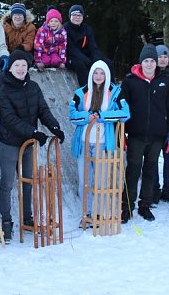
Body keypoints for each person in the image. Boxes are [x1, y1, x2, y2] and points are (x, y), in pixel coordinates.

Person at [0, 49, 65, 243]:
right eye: (16, 65)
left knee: (28, 181)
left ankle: (27, 218)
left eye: (24, 65)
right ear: (10, 68)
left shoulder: (33, 87)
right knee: (7, 183)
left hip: (29, 145)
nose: (20, 68)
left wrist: (54, 126)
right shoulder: (4, 91)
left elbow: (43, 110)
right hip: (9, 143)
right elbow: (9, 119)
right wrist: (33, 132)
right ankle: (6, 222)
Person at [119, 44, 169, 222]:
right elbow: (121, 107)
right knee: (133, 170)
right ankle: (127, 206)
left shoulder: (166, 82)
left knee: (150, 170)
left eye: (153, 61)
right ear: (141, 62)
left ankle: (145, 205)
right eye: (146, 61)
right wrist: (121, 133)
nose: (150, 64)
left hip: (157, 136)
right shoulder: (130, 81)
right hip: (136, 135)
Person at [69, 60, 129, 222]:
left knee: (101, 179)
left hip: (103, 141)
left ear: (107, 74)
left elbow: (125, 113)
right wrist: (86, 117)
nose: (98, 76)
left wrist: (103, 117)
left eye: (102, 73)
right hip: (84, 141)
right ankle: (86, 213)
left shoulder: (115, 92)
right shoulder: (81, 92)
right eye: (96, 72)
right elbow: (72, 114)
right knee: (84, 180)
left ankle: (98, 212)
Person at [63, 4, 108, 86]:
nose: (77, 17)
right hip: (69, 57)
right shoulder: (65, 28)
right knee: (81, 65)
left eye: (79, 15)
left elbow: (92, 46)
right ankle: (86, 90)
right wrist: (86, 60)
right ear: (70, 16)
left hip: (85, 55)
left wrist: (97, 58)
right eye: (74, 15)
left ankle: (110, 90)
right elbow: (71, 48)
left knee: (105, 62)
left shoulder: (87, 29)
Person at [155, 44, 169, 203]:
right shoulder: (150, 76)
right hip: (155, 127)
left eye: (165, 56)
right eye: (159, 56)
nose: (162, 59)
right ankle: (154, 189)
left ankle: (167, 188)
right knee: (153, 159)